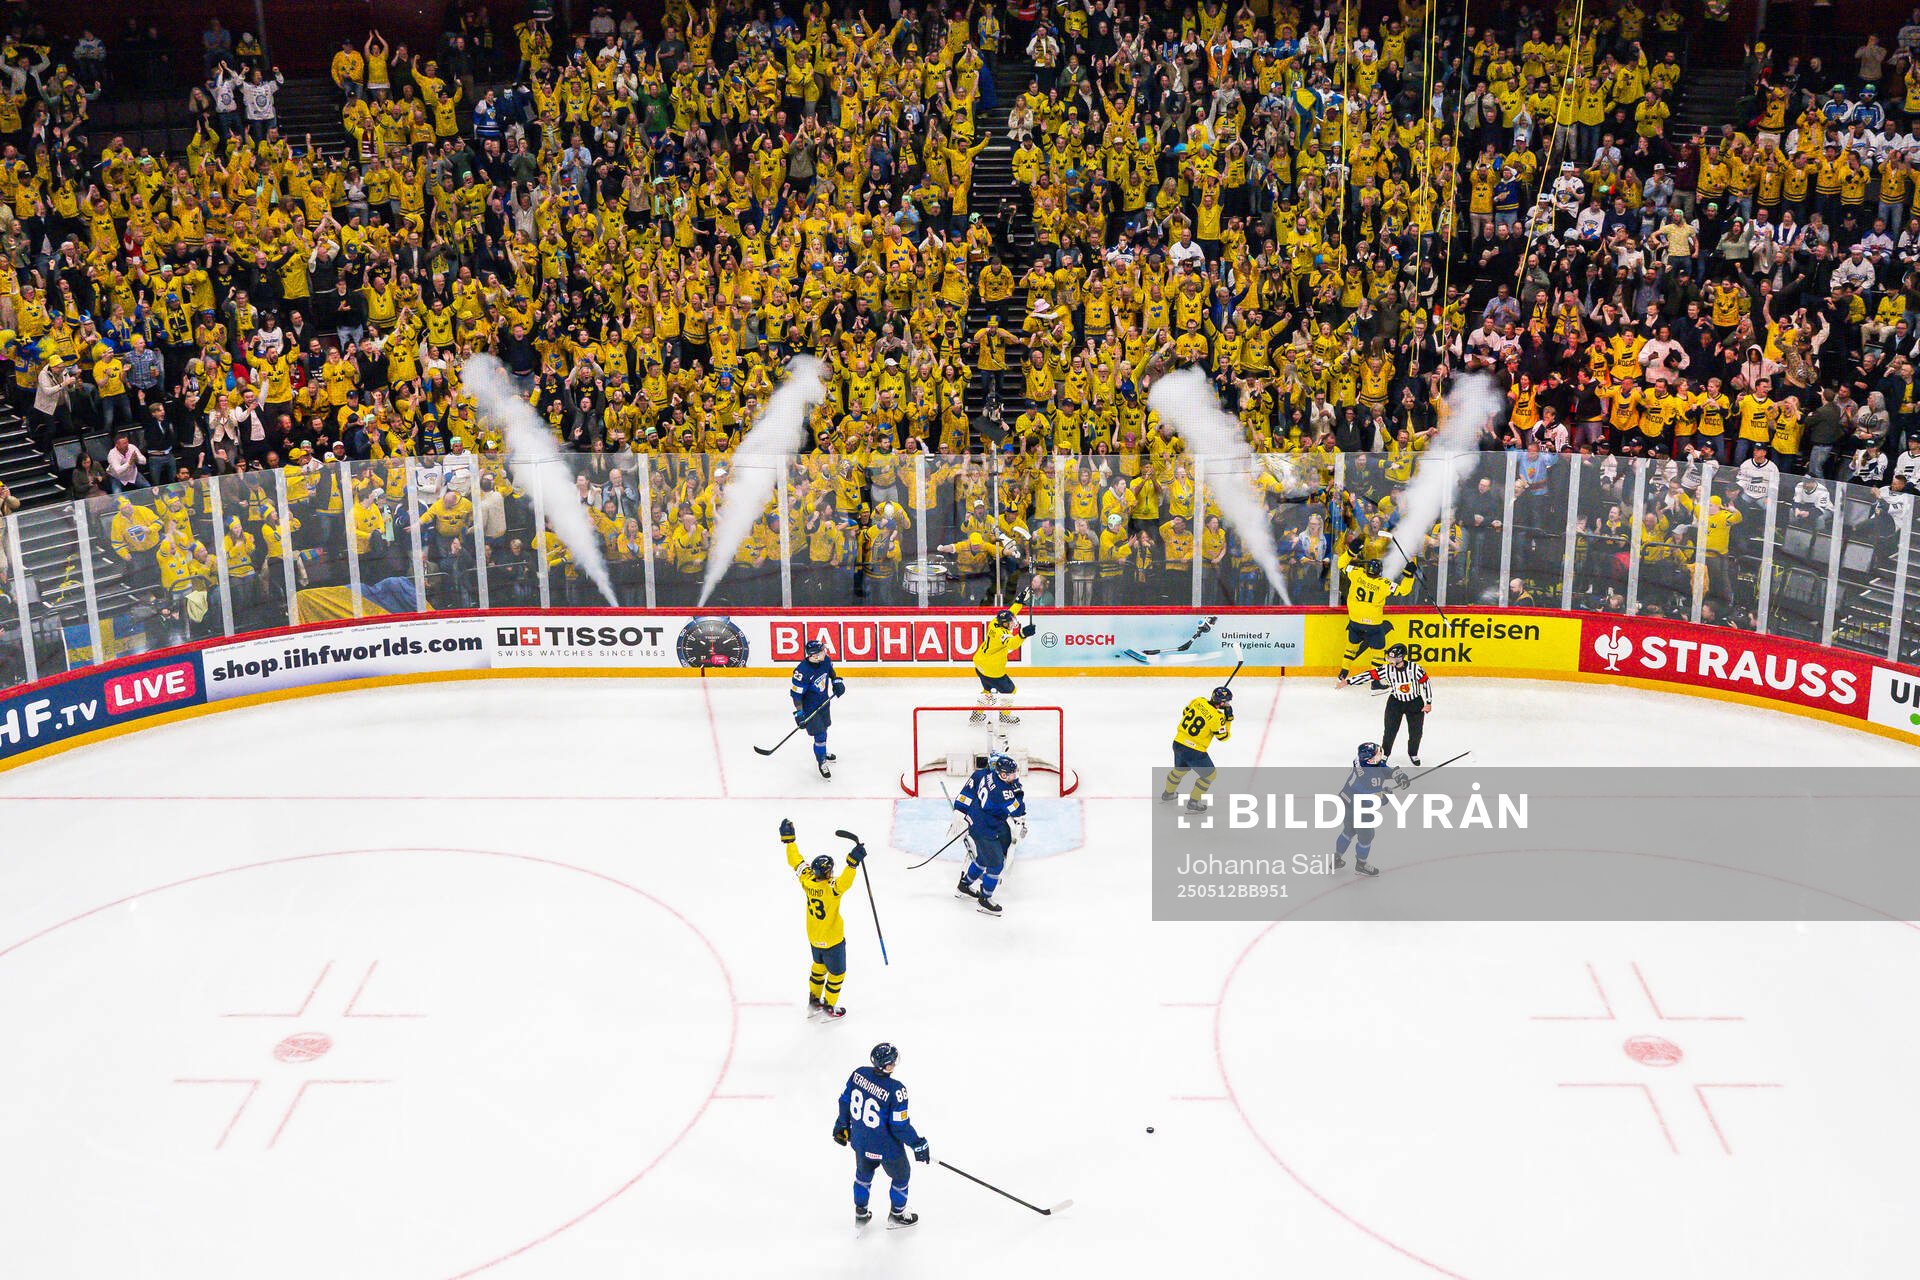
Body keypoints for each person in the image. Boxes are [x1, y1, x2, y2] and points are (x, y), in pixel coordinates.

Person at [834, 1042, 929, 1227]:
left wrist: (841, 1125)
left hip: (860, 1140)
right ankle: (897, 1215)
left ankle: (860, 1213)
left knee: (863, 1175)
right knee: (902, 1176)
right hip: (886, 1147)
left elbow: (844, 1101)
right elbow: (899, 1126)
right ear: (887, 1065)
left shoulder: (858, 1073)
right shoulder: (896, 1090)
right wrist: (917, 1144)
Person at [780, 819, 863, 1018]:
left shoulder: (807, 881)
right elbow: (845, 881)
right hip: (833, 940)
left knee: (818, 969)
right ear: (828, 872)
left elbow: (796, 862)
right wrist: (853, 862)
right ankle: (828, 1007)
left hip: (814, 939)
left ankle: (813, 1002)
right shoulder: (832, 889)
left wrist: (789, 840)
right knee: (836, 975)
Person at [951, 752, 1027, 915]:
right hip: (986, 829)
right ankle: (985, 899)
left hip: (979, 821)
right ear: (1003, 774)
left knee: (983, 859)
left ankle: (964, 885)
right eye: (1013, 774)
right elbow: (1017, 810)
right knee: (996, 864)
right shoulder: (1002, 792)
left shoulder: (989, 775)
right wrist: (1018, 793)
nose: (1016, 776)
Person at [1334, 546, 1415, 685]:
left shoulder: (1356, 574)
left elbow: (1340, 564)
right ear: (1380, 572)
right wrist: (1409, 575)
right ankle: (1376, 683)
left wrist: (1351, 551)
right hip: (1373, 625)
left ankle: (1343, 672)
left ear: (1366, 569)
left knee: (1351, 648)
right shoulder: (1384, 584)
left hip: (1355, 621)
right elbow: (1404, 591)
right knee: (1377, 654)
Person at [1347, 643, 1433, 764]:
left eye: (1394, 658)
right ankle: (1385, 753)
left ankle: (1413, 753)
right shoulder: (1387, 669)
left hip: (1415, 703)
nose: (1391, 660)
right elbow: (1369, 675)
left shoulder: (1415, 669)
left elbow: (1426, 683)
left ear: (1401, 657)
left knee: (1416, 732)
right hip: (1395, 703)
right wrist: (1349, 681)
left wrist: (1428, 702)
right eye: (1389, 657)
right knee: (1390, 730)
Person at [1334, 743, 1406, 877]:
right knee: (1367, 835)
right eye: (1377, 754)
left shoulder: (1362, 763)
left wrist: (1397, 774)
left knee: (1348, 831)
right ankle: (1361, 864)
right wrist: (1386, 795)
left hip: (1347, 801)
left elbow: (1381, 768)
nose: (1380, 755)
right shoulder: (1368, 777)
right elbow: (1374, 799)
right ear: (1370, 760)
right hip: (1360, 807)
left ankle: (1336, 858)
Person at [1160, 685, 1233, 811]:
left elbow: (1185, 712)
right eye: (1226, 702)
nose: (1227, 704)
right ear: (1221, 702)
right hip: (1194, 750)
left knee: (1179, 770)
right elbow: (1223, 737)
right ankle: (1193, 802)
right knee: (1210, 775)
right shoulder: (1218, 717)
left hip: (1178, 743)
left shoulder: (1198, 700)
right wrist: (1228, 719)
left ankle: (1168, 794)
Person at [967, 601, 1035, 724]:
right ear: (1004, 624)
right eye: (1010, 622)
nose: (1013, 623)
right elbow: (1013, 644)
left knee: (988, 691)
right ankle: (1004, 716)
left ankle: (977, 714)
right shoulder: (1001, 634)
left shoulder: (995, 623)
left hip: (980, 664)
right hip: (992, 670)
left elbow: (1009, 613)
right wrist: (1023, 634)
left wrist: (1019, 602)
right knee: (1010, 691)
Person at [789, 638, 845, 779]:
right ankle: (821, 761)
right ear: (813, 655)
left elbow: (830, 671)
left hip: (824, 702)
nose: (825, 652)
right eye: (821, 651)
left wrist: (836, 681)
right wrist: (799, 713)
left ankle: (822, 751)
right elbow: (796, 695)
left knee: (825, 728)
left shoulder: (824, 660)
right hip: (810, 708)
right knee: (819, 735)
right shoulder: (802, 671)